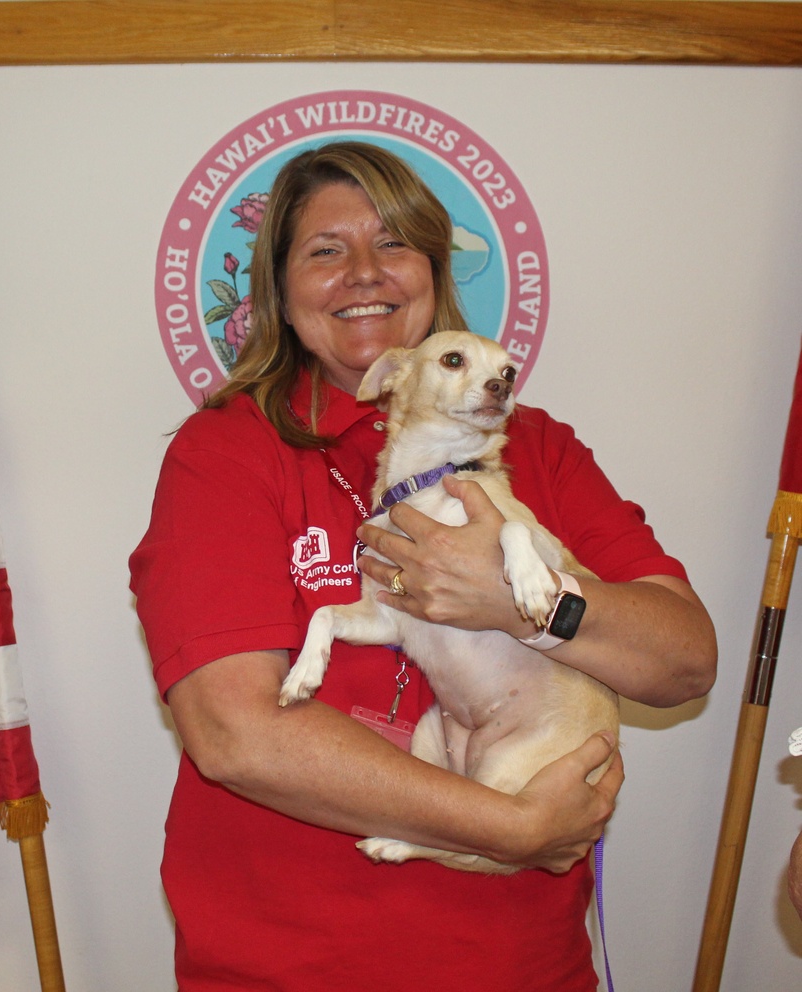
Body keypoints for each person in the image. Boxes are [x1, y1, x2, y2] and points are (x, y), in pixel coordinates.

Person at [129, 141, 716, 990]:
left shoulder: (535, 447)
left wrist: (531, 606)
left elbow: (685, 659)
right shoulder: (225, 453)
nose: (364, 272)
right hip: (288, 966)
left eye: (395, 244)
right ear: (281, 298)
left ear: (437, 281)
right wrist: (507, 827)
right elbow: (235, 734)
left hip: (519, 966)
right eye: (326, 251)